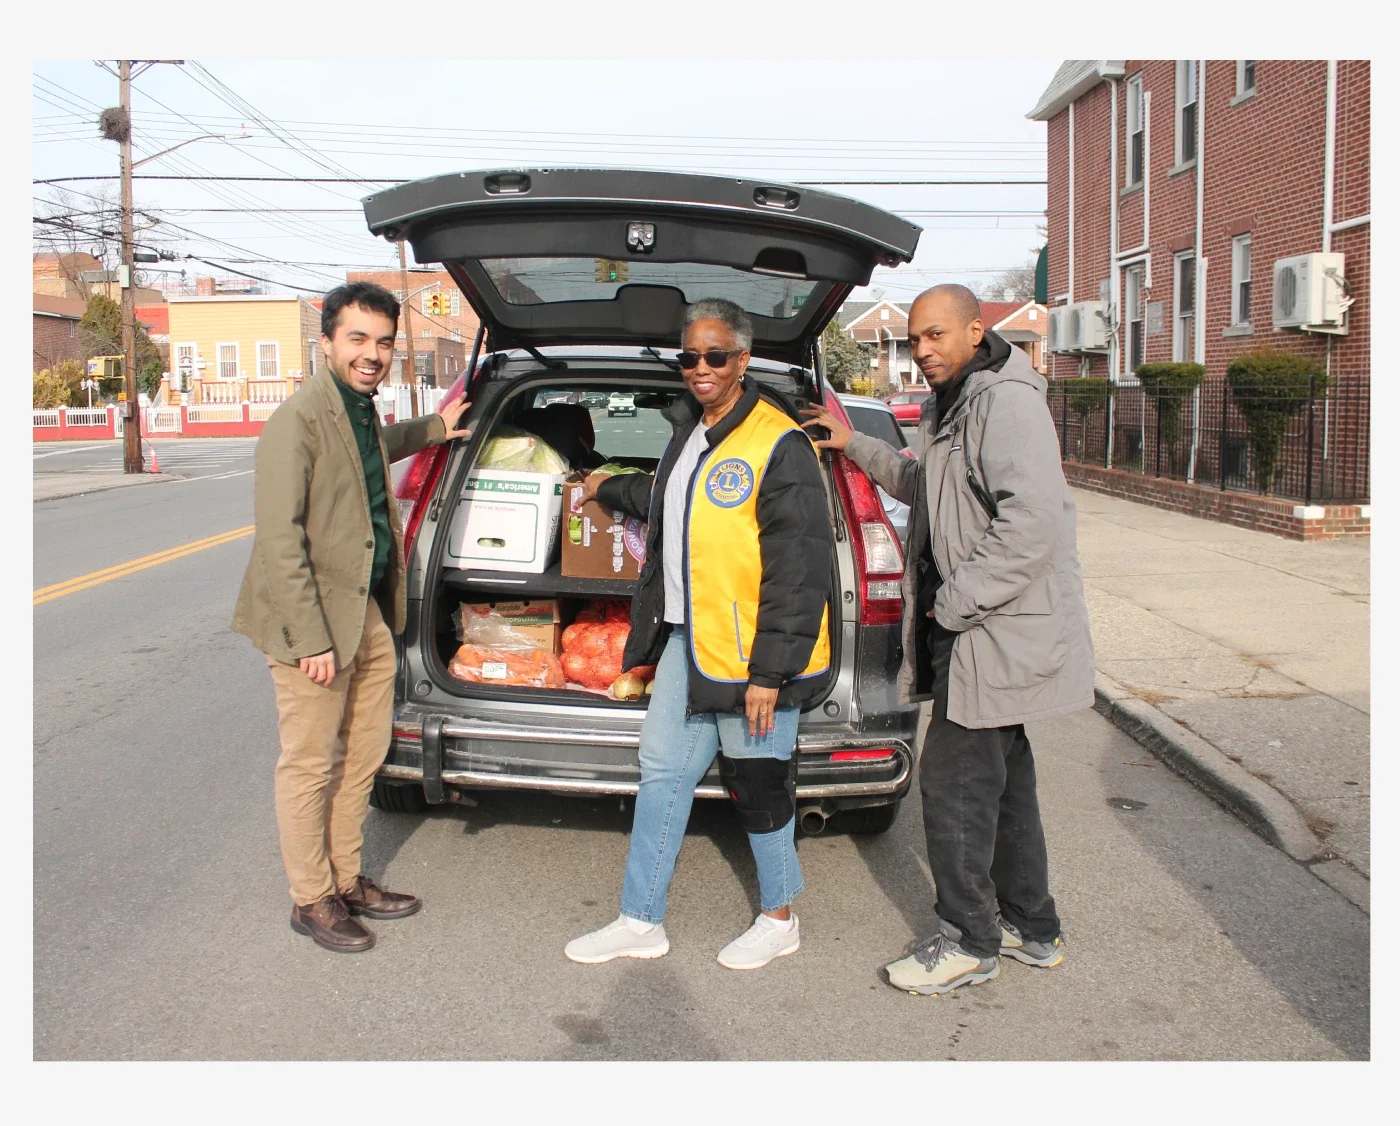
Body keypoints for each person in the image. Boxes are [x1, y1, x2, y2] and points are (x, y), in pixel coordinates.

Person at [801, 284, 1094, 995]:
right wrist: (853, 445)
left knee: (955, 786)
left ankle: (967, 940)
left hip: (990, 636)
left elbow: (1033, 525)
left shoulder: (1005, 402)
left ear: (975, 328)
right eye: (916, 337)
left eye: (936, 335)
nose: (923, 350)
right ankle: (1033, 926)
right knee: (1005, 791)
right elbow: (921, 483)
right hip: (978, 634)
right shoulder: (956, 402)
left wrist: (953, 605)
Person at [565, 298, 833, 970]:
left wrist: (771, 672)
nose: (702, 367)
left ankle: (780, 918)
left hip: (752, 655)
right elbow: (667, 499)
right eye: (691, 357)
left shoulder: (778, 442)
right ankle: (640, 919)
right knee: (661, 773)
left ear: (742, 361)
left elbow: (800, 569)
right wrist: (602, 486)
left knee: (759, 782)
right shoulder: (692, 434)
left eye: (716, 356)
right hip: (689, 644)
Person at [233, 282, 472, 953]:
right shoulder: (298, 420)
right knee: (310, 763)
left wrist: (435, 430)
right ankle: (310, 900)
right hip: (311, 620)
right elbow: (279, 539)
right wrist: (309, 639)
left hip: (362, 609)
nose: (372, 353)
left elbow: (373, 452)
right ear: (328, 342)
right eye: (358, 339)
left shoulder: (357, 408)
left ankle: (344, 879)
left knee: (362, 753)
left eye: (383, 342)